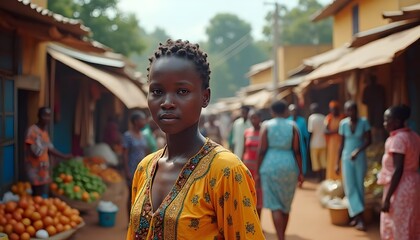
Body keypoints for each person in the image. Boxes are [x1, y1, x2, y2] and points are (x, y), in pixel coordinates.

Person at [127, 39, 264, 239]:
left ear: (205, 97)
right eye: (157, 91)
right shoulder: (144, 168)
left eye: (182, 91)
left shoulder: (225, 171)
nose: (167, 103)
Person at [258, 100, 304, 240]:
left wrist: (258, 171)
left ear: (272, 112)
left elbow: (262, 150)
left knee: (275, 205)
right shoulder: (293, 126)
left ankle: (280, 237)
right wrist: (301, 172)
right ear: (285, 111)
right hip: (289, 165)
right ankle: (282, 236)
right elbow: (297, 151)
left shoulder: (266, 126)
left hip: (270, 165)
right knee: (286, 205)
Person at [378, 105, 420, 240]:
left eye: (387, 120)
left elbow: (398, 169)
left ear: (396, 121)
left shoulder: (398, 140)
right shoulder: (414, 136)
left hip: (400, 187)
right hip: (413, 184)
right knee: (410, 222)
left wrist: (387, 198)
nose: (384, 124)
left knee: (398, 225)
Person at [336, 101, 371, 231]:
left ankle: (359, 217)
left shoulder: (364, 122)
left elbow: (369, 140)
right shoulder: (343, 124)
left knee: (359, 186)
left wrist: (358, 151)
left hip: (360, 158)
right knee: (349, 187)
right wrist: (336, 163)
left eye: (353, 110)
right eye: (348, 110)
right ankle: (358, 216)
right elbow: (341, 144)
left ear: (357, 110)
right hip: (346, 158)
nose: (351, 113)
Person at [25, 107, 73, 198]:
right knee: (36, 194)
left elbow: (50, 148)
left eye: (49, 116)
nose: (47, 118)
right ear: (39, 116)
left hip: (43, 169)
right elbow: (31, 149)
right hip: (35, 169)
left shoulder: (44, 132)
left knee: (41, 195)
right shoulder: (32, 130)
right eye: (44, 115)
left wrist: (64, 156)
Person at [122, 110, 150, 218]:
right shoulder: (128, 136)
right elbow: (124, 154)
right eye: (142, 119)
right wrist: (127, 171)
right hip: (132, 169)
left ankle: (137, 219)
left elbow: (145, 151)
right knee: (131, 195)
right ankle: (130, 221)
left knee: (141, 196)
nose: (144, 122)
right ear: (135, 121)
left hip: (143, 171)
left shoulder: (143, 135)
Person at [242, 110, 263, 217]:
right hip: (247, 166)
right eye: (251, 118)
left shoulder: (264, 132)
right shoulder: (247, 132)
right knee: (248, 193)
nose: (253, 120)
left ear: (260, 118)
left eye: (255, 117)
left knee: (259, 193)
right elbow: (243, 150)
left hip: (259, 167)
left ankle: (258, 221)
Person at [324, 101, 345, 180]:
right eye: (332, 109)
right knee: (332, 160)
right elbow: (325, 130)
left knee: (341, 160)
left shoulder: (342, 118)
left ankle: (341, 179)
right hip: (332, 143)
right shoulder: (328, 118)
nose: (334, 111)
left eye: (335, 109)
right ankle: (332, 178)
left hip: (341, 141)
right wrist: (336, 131)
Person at [288, 104, 309, 176]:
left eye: (294, 111)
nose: (293, 112)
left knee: (301, 159)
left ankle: (302, 174)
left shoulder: (302, 121)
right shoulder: (287, 121)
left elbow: (306, 135)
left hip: (301, 144)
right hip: (289, 145)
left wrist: (307, 146)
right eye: (291, 111)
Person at [308, 103, 327, 182]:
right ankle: (324, 177)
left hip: (314, 143)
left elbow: (310, 131)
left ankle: (319, 177)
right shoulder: (323, 117)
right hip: (323, 142)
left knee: (316, 161)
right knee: (323, 160)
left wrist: (308, 142)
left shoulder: (312, 118)